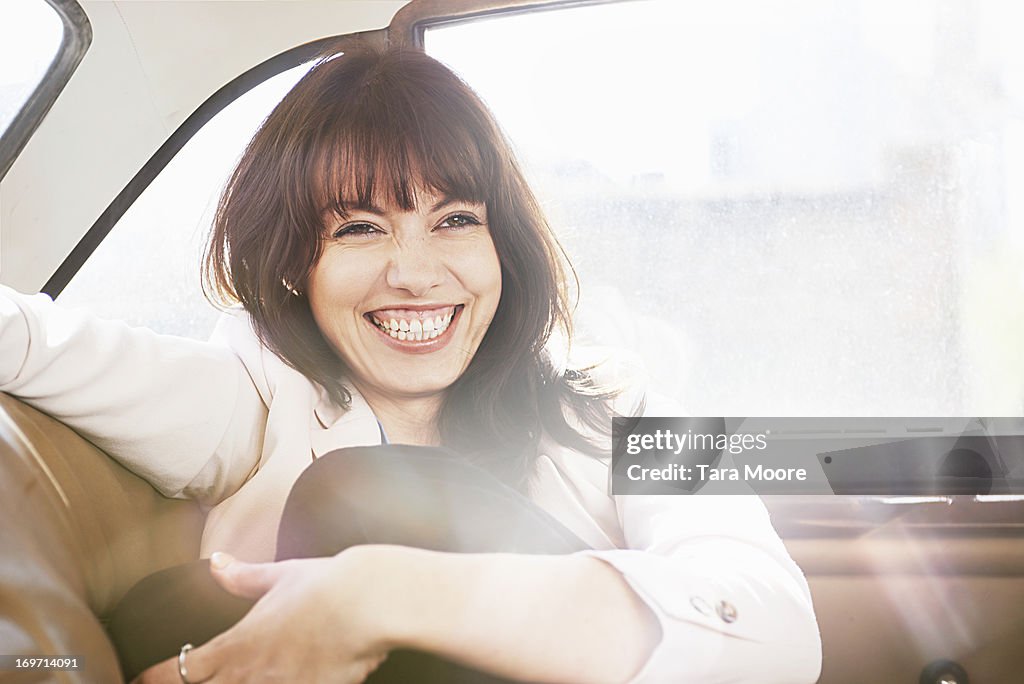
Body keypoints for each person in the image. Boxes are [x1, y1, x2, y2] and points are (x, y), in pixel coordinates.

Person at [0, 45, 822, 682]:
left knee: (357, 495)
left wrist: (381, 595)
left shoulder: (618, 406)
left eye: (456, 219)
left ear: (503, 244)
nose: (417, 273)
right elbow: (34, 340)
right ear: (296, 264)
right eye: (360, 229)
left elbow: (777, 628)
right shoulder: (254, 388)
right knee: (173, 606)